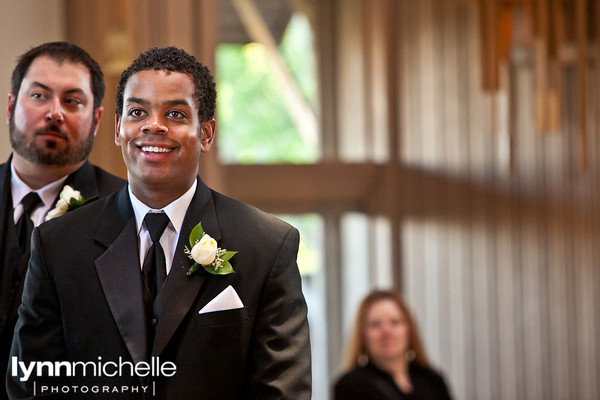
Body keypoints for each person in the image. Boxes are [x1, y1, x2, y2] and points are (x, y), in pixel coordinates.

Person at [7, 46, 311, 399]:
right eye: (138, 111)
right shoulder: (57, 245)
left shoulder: (268, 246)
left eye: (176, 114)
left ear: (207, 134)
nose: (153, 125)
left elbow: (281, 391)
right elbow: (31, 384)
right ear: (119, 128)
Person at [0, 42, 125, 398]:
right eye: (39, 95)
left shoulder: (126, 213)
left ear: (97, 119)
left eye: (73, 101)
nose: (55, 112)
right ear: (11, 106)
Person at [334, 290, 452, 400]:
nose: (386, 332)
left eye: (395, 322)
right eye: (375, 324)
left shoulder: (432, 380)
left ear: (408, 329)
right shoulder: (350, 386)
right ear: (362, 334)